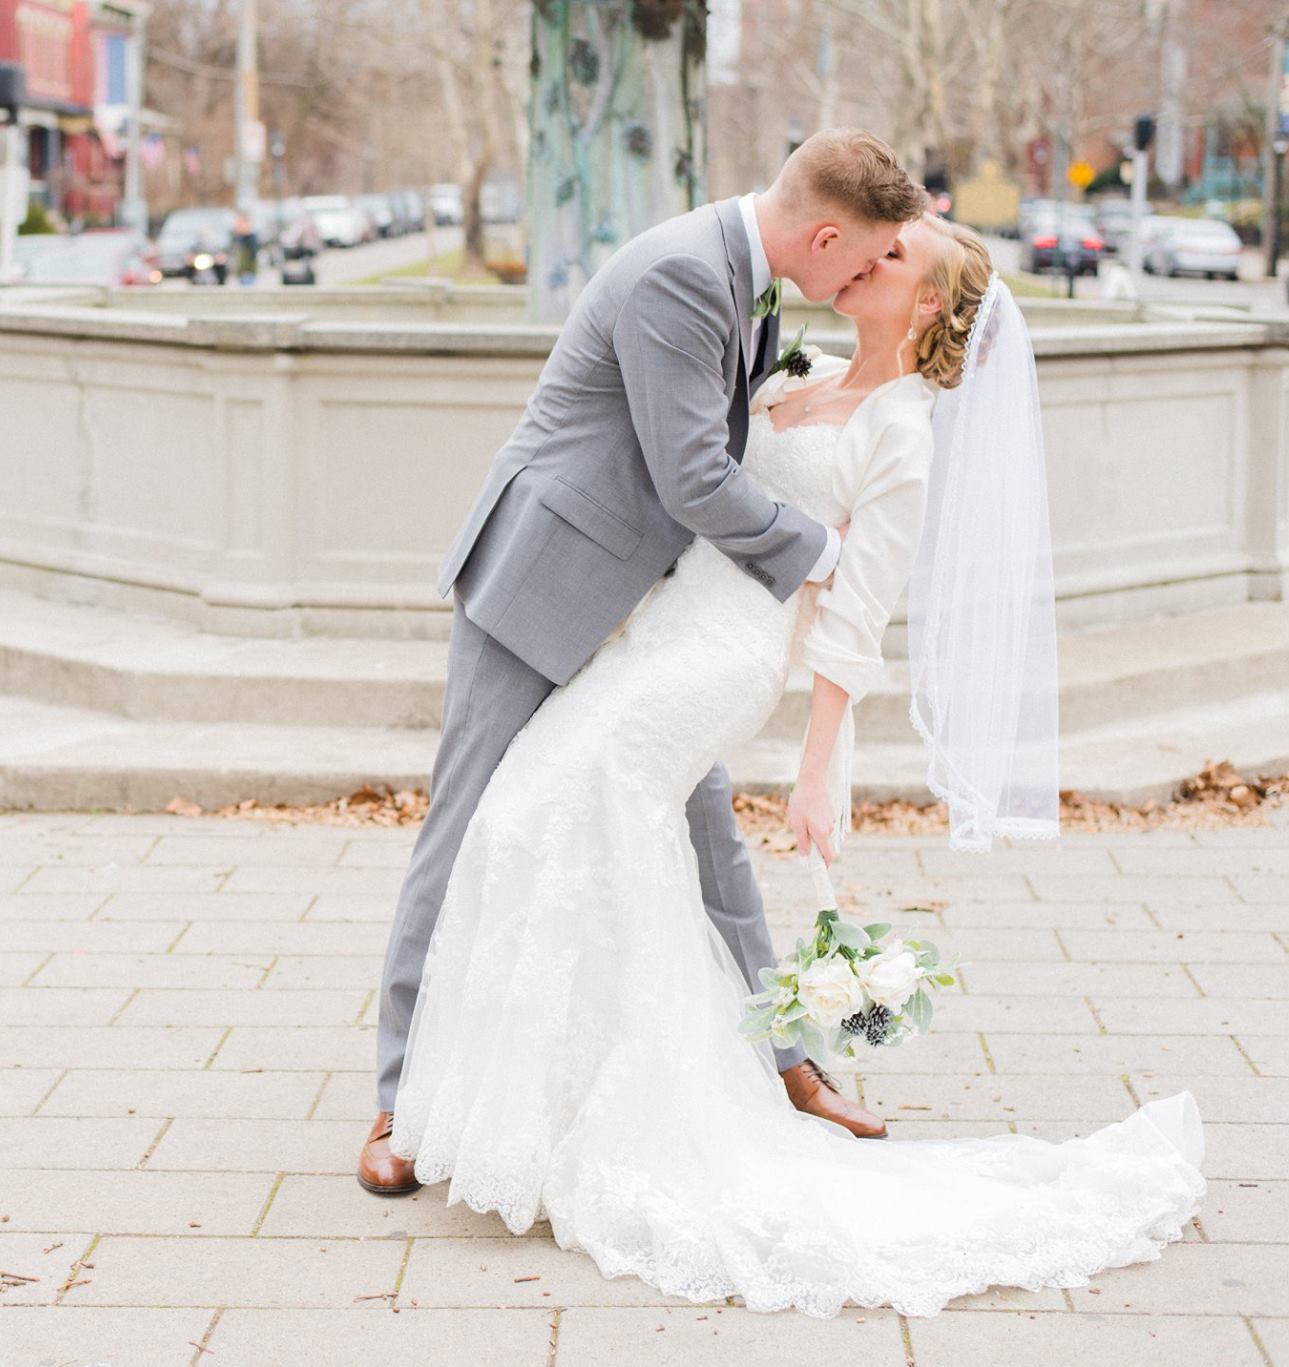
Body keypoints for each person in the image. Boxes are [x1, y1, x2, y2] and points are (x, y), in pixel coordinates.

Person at [383, 211, 1205, 1315]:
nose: (864, 262)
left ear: (923, 306)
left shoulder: (902, 432)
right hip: (657, 626)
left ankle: (624, 1100)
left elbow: (855, 618)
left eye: (892, 257)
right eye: (868, 246)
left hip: (723, 654)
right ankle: (578, 1083)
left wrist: (819, 767)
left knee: (556, 799)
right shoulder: (798, 364)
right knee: (559, 816)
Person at [363, 129, 926, 1197]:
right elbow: (692, 478)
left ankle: (786, 1059)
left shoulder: (747, 274)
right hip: (546, 583)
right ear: (819, 234)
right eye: (856, 260)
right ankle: (398, 1096)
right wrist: (825, 553)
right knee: (471, 818)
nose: (855, 280)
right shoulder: (680, 273)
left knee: (706, 836)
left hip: (659, 613)